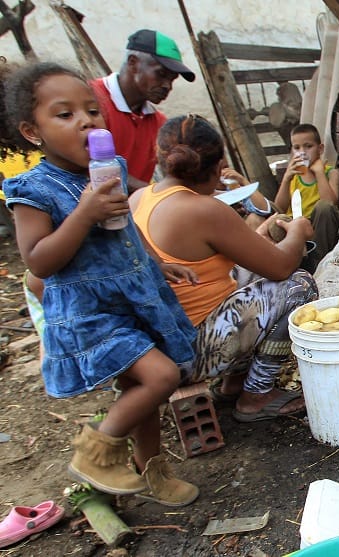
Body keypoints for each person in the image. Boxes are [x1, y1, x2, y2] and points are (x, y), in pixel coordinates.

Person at [1, 62, 199, 505]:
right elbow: (39, 261)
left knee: (144, 393)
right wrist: (84, 213)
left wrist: (156, 263)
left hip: (134, 299)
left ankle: (152, 472)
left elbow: (126, 227)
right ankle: (97, 450)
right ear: (34, 132)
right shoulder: (32, 190)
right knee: (160, 376)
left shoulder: (106, 169)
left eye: (92, 110)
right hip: (91, 312)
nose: (86, 120)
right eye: (65, 114)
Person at [130, 114, 318, 422]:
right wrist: (297, 231)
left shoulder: (140, 197)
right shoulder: (203, 209)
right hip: (191, 354)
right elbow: (281, 266)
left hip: (156, 351)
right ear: (219, 169)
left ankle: (234, 382)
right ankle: (257, 393)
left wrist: (263, 233)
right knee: (299, 285)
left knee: (246, 279)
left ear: (161, 158)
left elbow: (216, 265)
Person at [90, 29, 195, 192]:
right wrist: (154, 193)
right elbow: (88, 168)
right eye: (161, 74)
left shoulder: (158, 122)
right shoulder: (92, 101)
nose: (168, 86)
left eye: (172, 79)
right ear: (133, 63)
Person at [274, 123, 339, 272]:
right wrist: (286, 179)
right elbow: (278, 208)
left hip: (318, 229)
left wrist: (319, 173)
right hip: (294, 228)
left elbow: (330, 202)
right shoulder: (294, 175)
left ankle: (317, 263)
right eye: (297, 148)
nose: (302, 152)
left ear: (320, 149)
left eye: (308, 146)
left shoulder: (330, 172)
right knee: (276, 218)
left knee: (324, 207)